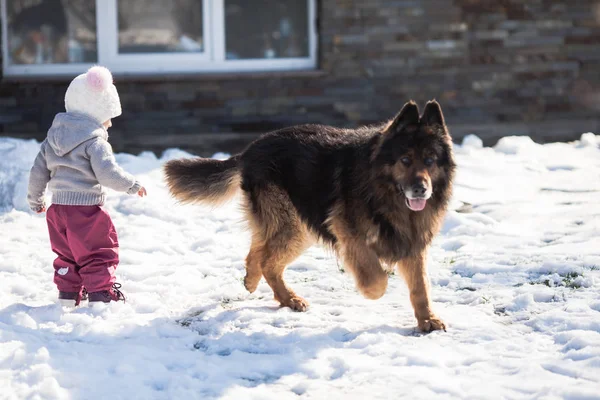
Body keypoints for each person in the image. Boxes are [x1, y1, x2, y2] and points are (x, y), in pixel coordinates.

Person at [27, 66, 146, 307]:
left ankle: (68, 296)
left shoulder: (51, 139)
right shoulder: (95, 142)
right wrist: (131, 185)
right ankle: (101, 294)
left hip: (57, 211)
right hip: (86, 210)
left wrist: (35, 199)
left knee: (67, 254)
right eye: (107, 116)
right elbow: (107, 174)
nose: (110, 124)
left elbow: (38, 171)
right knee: (98, 252)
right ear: (94, 113)